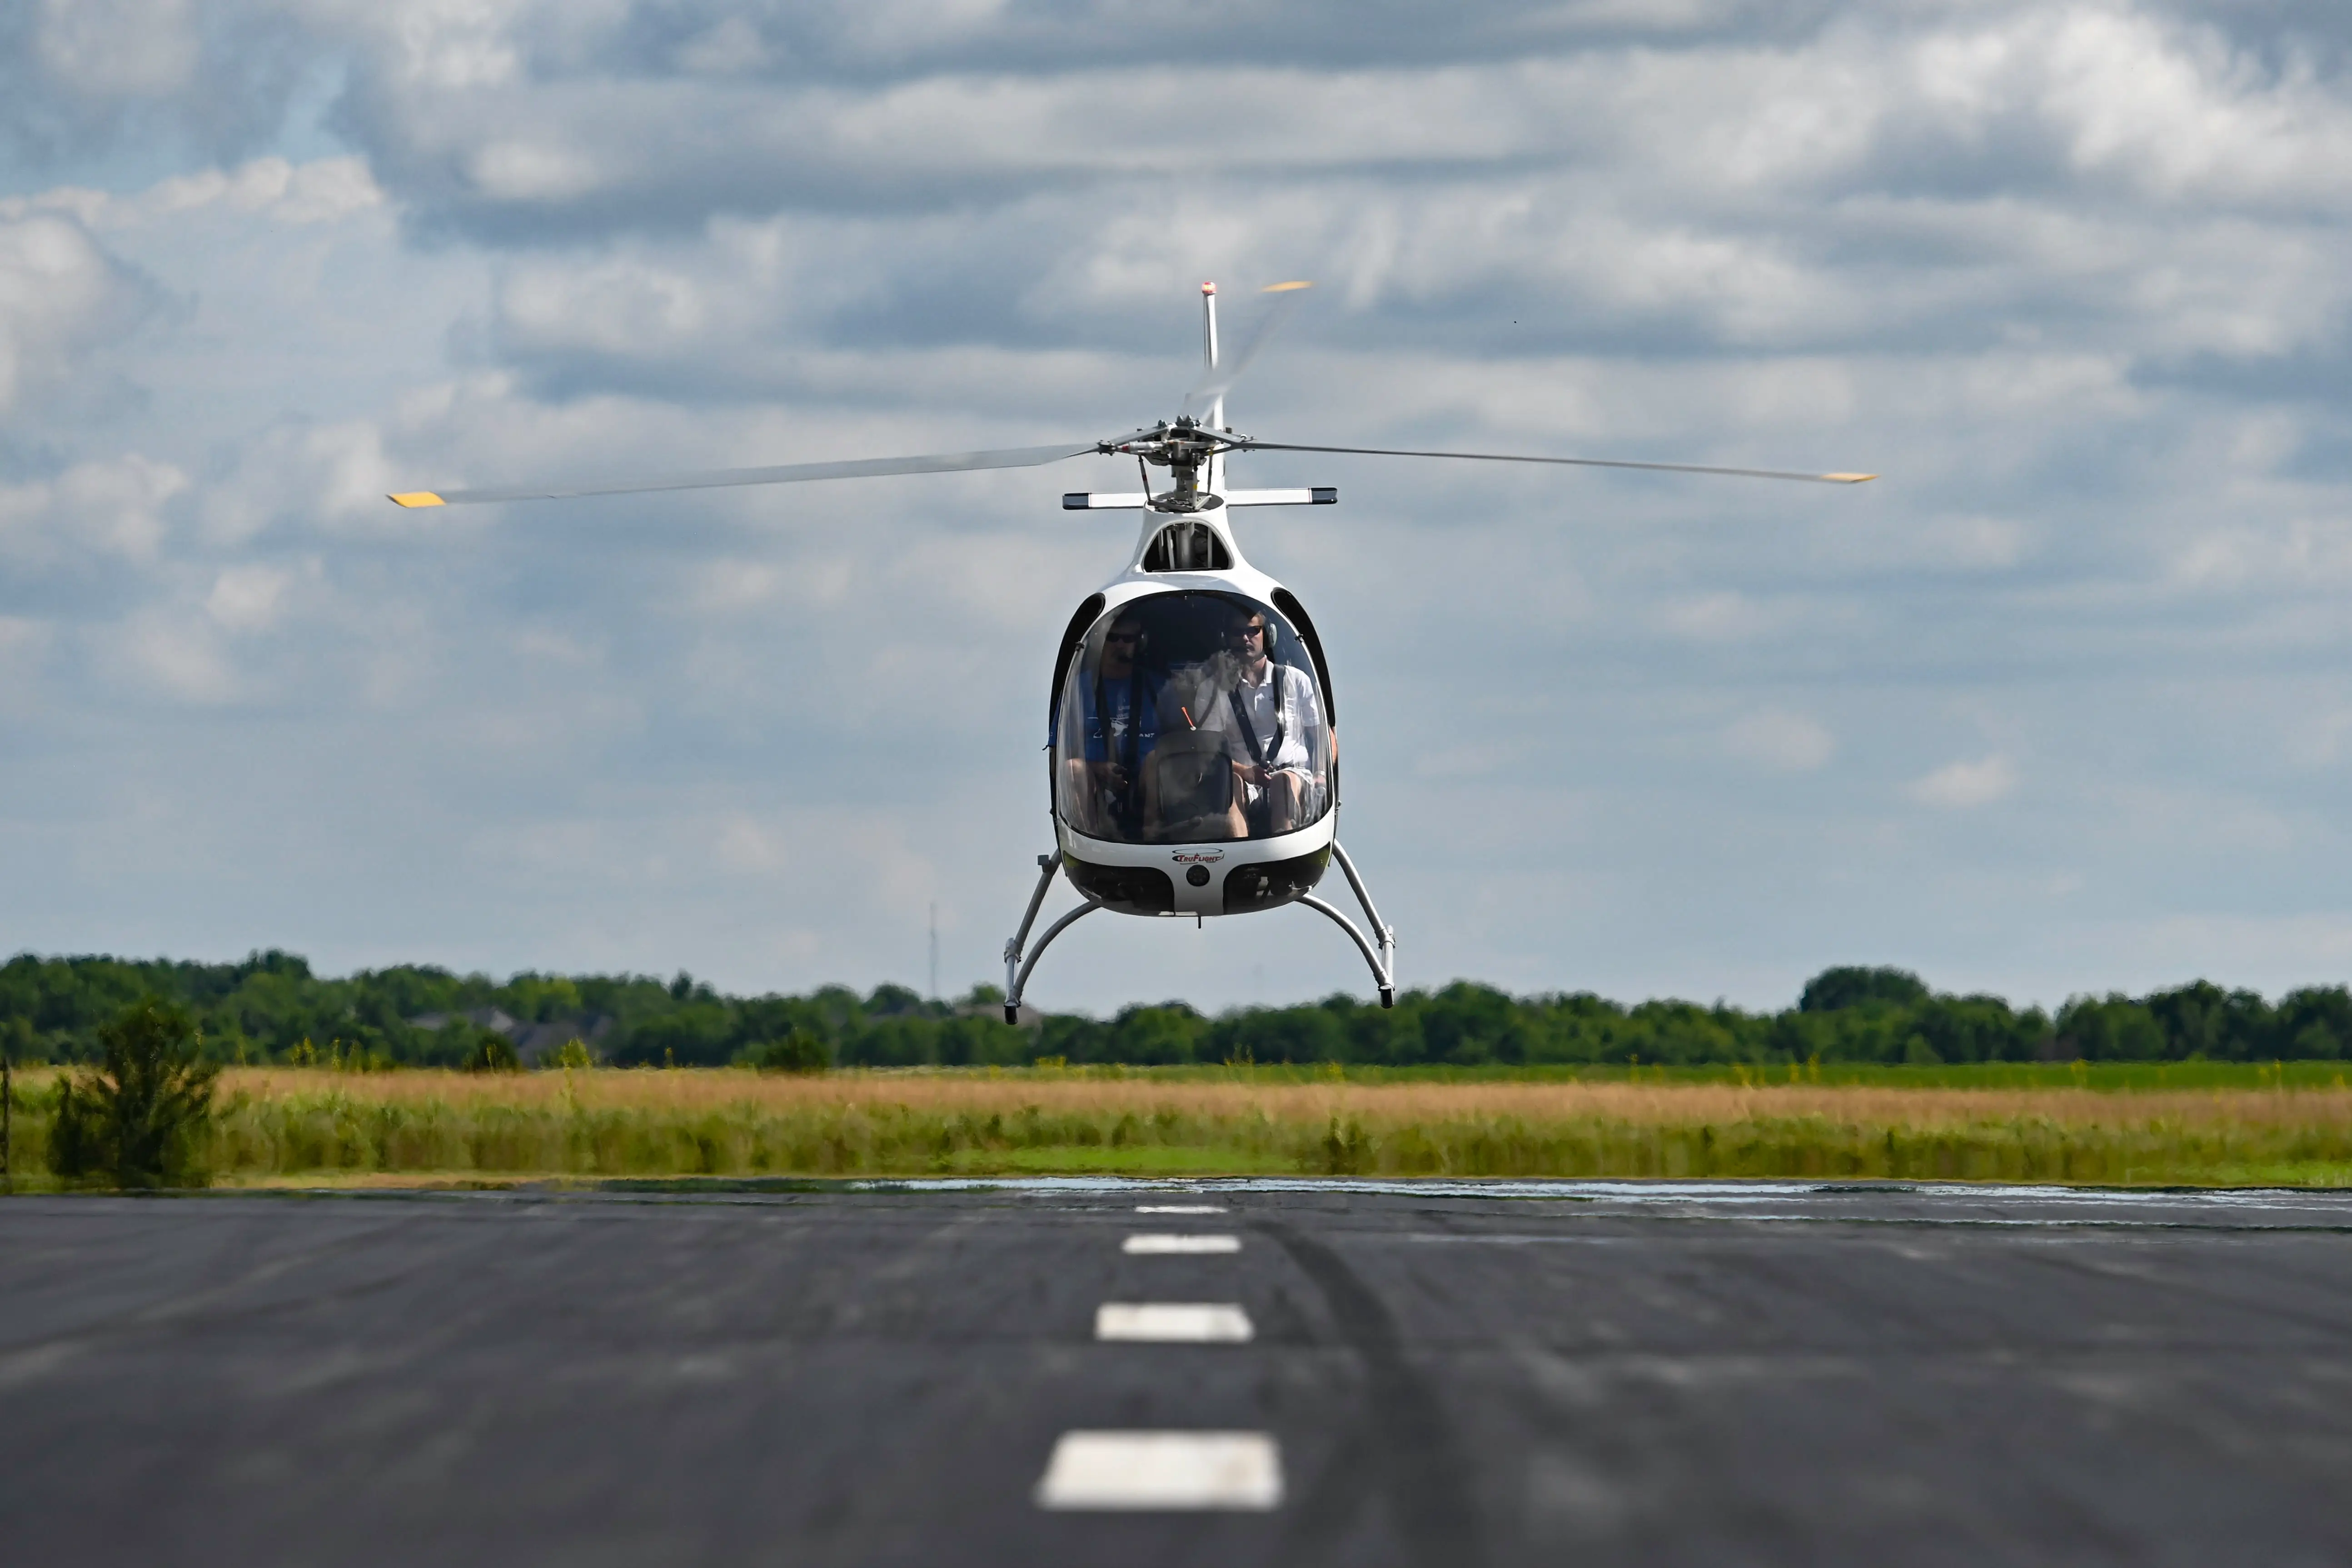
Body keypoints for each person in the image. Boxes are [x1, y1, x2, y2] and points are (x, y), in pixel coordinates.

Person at [1217, 604, 1328, 836]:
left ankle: (1282, 845)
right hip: (1242, 777)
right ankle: (1241, 853)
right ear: (1227, 638)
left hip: (1294, 775)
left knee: (1282, 784)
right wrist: (1245, 771)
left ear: (1267, 635)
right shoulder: (1214, 688)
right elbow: (1209, 752)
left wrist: (1322, 775)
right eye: (1238, 633)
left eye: (1253, 631)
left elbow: (1322, 738)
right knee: (1230, 786)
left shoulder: (1296, 680)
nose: (1246, 638)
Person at [1068, 613, 1161, 839]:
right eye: (1113, 637)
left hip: (1150, 784)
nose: (1120, 644)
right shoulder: (1077, 690)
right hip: (1096, 786)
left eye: (1128, 639)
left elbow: (1183, 741)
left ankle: (1153, 839)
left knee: (1157, 759)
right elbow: (1057, 756)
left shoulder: (1159, 687)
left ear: (1140, 643)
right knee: (1073, 769)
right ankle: (1092, 843)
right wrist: (1098, 768)